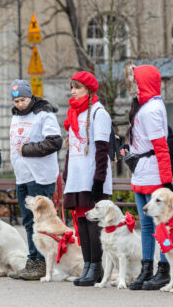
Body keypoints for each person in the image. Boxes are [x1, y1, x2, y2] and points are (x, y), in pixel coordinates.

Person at [121, 64, 173, 291]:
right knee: (145, 224)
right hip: (142, 171)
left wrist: (166, 181)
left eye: (134, 80)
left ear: (143, 81)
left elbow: (161, 147)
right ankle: (147, 268)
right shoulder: (144, 106)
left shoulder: (152, 108)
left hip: (152, 172)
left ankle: (163, 269)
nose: (131, 85)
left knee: (159, 223)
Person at [7, 79, 62, 281]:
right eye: (16, 101)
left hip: (40, 175)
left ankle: (42, 262)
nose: (20, 104)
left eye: (23, 100)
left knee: (42, 221)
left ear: (30, 97)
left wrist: (27, 150)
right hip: (23, 176)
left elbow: (54, 142)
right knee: (28, 221)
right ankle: (33, 259)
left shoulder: (43, 114)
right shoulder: (16, 116)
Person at [62, 71, 112, 286]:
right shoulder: (73, 113)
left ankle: (97, 266)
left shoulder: (98, 113)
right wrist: (66, 173)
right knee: (81, 220)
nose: (73, 91)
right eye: (72, 87)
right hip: (76, 175)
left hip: (91, 175)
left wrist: (98, 179)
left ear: (89, 90)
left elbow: (102, 149)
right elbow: (70, 149)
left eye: (78, 87)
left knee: (93, 221)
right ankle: (88, 265)